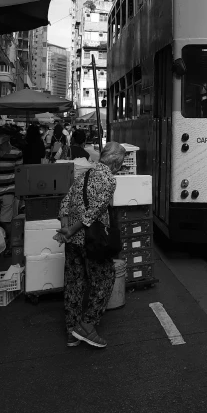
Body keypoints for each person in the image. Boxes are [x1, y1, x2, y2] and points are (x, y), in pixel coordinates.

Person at [55, 141, 125, 348]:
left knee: (74, 284)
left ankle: (71, 331)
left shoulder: (83, 176)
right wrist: (72, 230)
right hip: (92, 241)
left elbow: (65, 203)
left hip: (73, 242)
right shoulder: (109, 180)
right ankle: (87, 325)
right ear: (116, 163)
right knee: (105, 279)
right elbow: (93, 213)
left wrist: (65, 228)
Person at [0, 126, 23, 258]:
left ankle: (10, 245)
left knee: (6, 221)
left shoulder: (16, 153)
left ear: (6, 138)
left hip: (9, 190)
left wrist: (19, 193)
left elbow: (19, 172)